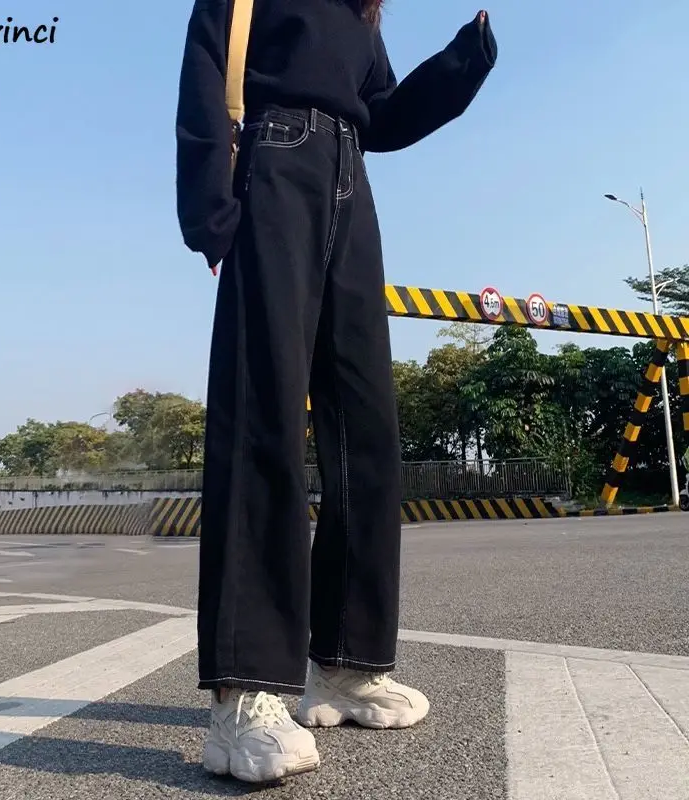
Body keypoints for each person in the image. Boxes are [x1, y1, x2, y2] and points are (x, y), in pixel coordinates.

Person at [176, 0, 497, 784]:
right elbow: (205, 77)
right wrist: (212, 212)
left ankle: (346, 666)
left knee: (367, 429)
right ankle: (243, 695)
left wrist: (464, 62)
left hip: (351, 182)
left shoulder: (361, 13)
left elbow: (382, 115)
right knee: (263, 420)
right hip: (274, 165)